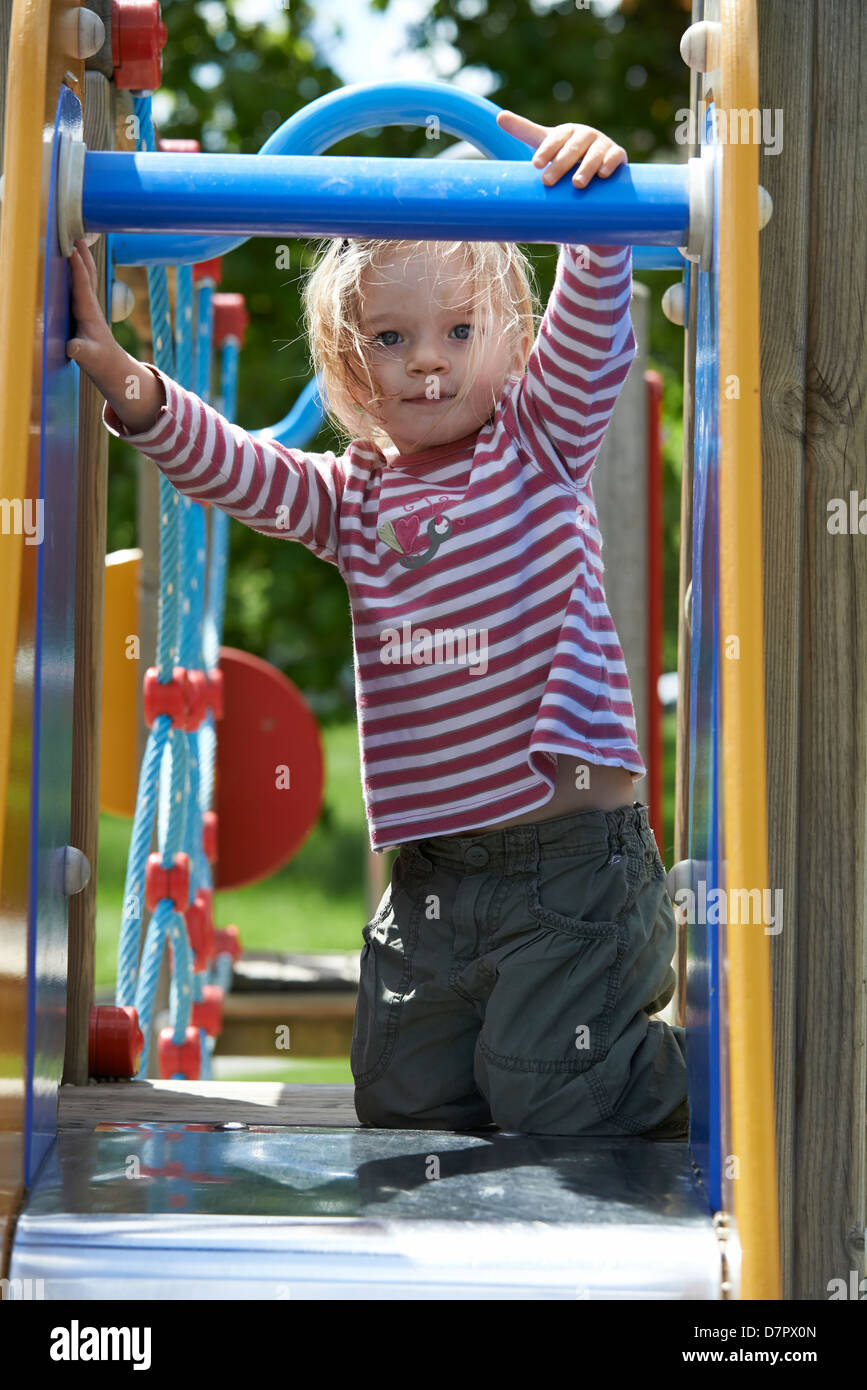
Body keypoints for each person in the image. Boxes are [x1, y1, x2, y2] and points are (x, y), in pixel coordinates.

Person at [67, 109, 688, 1141]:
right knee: (400, 1097)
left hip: (574, 862)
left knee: (553, 1091)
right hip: (435, 878)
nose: (427, 363)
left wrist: (594, 210)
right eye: (391, 340)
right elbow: (246, 470)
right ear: (352, 372)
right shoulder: (352, 499)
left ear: (512, 339)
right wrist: (136, 390)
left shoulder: (537, 442)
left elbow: (591, 336)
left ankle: (703, 1072)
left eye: (458, 330)